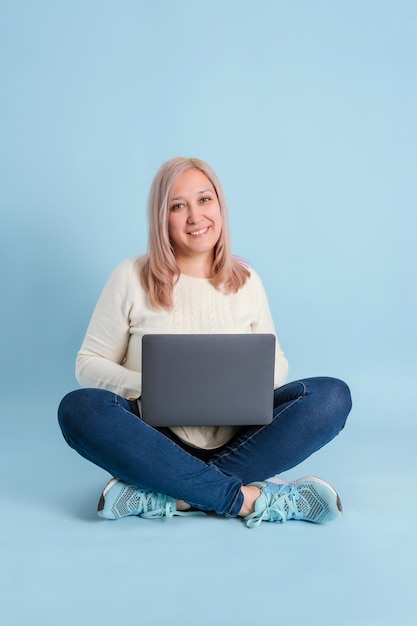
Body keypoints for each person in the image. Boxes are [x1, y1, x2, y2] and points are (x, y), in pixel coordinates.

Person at [58, 156, 352, 529]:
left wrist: (241, 389)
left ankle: (171, 492)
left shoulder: (248, 281)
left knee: (331, 397)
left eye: (204, 200)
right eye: (178, 206)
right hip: (155, 441)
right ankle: (249, 499)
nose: (195, 216)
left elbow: (276, 362)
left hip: (241, 439)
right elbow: (88, 362)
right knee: (78, 409)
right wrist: (152, 389)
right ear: (162, 217)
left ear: (219, 205)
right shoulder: (130, 276)